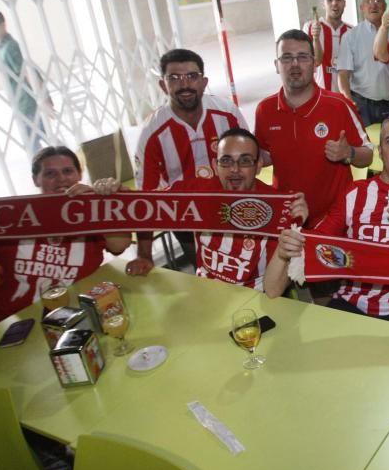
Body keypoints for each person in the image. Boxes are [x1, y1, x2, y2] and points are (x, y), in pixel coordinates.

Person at [270, 112, 389, 328]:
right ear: (380, 151)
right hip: (349, 302)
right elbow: (320, 242)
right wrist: (300, 227)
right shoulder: (355, 193)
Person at [107, 128, 308, 293]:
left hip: (254, 298)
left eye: (245, 160)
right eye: (226, 161)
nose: (235, 169)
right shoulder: (197, 192)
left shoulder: (277, 208)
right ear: (215, 165)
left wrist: (291, 234)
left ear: (258, 166)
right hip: (204, 293)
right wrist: (115, 197)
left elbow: (273, 291)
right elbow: (144, 208)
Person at [0, 147, 131, 329]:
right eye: (50, 173)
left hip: (75, 318)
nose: (61, 179)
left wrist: (102, 203)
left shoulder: (91, 213)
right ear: (35, 179)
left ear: (79, 174)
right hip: (12, 325)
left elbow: (119, 244)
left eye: (68, 171)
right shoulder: (9, 216)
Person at [131, 48, 248, 276]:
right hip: (186, 223)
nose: (184, 84)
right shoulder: (152, 133)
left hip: (233, 209)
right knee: (208, 277)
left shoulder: (228, 114)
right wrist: (144, 255)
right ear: (163, 85)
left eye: (192, 77)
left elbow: (251, 162)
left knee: (247, 271)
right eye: (174, 78)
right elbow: (145, 200)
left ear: (204, 82)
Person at [254, 29, 372, 229]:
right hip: (288, 218)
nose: (295, 65)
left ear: (314, 62)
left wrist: (349, 153)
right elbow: (265, 156)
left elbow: (368, 156)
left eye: (302, 57)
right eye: (286, 58)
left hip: (335, 219)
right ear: (276, 65)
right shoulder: (264, 109)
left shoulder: (338, 105)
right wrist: (250, 160)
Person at [336, 0, 389, 126]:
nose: (373, 5)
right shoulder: (351, 36)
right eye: (368, 1)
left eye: (378, 1)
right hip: (362, 105)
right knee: (366, 145)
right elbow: (343, 74)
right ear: (362, 7)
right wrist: (349, 100)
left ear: (385, 6)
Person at [0, 8, 52, 155]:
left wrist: (44, 97)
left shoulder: (10, 47)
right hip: (21, 102)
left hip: (26, 102)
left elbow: (27, 71)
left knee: (35, 141)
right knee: (41, 138)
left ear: (3, 24)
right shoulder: (2, 47)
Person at [303, 0, 353, 93]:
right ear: (323, 4)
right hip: (319, 95)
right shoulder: (310, 27)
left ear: (344, 3)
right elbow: (315, 61)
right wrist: (315, 38)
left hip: (347, 95)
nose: (334, 3)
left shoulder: (352, 31)